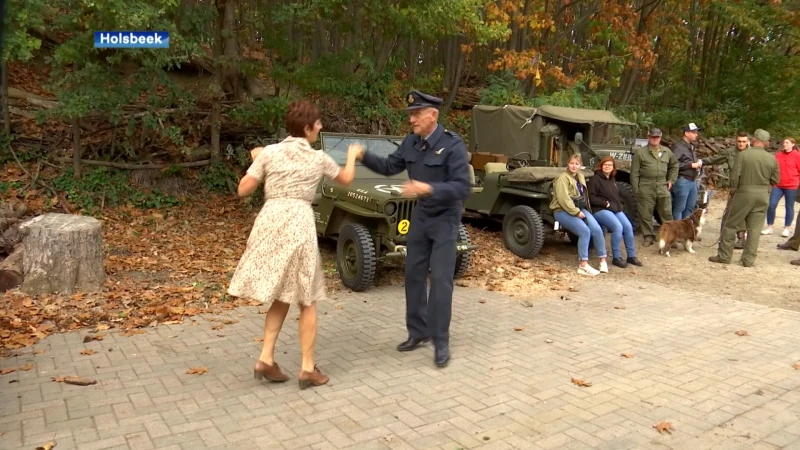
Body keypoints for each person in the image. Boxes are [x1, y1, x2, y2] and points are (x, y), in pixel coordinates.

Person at [229, 99, 361, 389]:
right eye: (318, 124)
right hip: (298, 223)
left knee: (282, 293)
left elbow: (242, 190)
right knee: (307, 298)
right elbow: (347, 179)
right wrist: (352, 155)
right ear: (307, 128)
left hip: (270, 220)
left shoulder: (270, 153)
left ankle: (265, 358)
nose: (321, 127)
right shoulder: (318, 158)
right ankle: (307, 368)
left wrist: (258, 161)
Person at [354, 90, 471, 368]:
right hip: (422, 217)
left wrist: (427, 188)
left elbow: (462, 187)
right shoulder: (411, 142)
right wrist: (362, 155)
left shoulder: (452, 145)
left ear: (433, 115)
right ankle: (418, 332)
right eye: (410, 115)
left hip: (445, 219)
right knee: (413, 275)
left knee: (441, 279)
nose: (411, 120)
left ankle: (440, 341)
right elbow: (388, 166)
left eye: (416, 114)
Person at [709, 129, 779, 267]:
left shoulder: (743, 155)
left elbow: (735, 177)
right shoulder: (772, 158)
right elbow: (775, 180)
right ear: (765, 142)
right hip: (762, 194)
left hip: (743, 193)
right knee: (755, 229)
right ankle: (748, 260)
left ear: (753, 140)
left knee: (730, 224)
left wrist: (734, 189)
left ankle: (724, 256)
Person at [551, 153, 609, 275]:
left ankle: (602, 260)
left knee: (597, 229)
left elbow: (583, 196)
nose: (574, 166)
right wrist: (576, 213)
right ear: (567, 164)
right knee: (584, 231)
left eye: (577, 164)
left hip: (579, 208)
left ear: (580, 166)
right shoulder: (563, 178)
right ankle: (583, 265)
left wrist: (585, 211)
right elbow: (564, 199)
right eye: (571, 163)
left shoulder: (580, 177)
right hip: (562, 210)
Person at [587, 156, 642, 268]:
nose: (607, 167)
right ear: (601, 166)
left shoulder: (612, 179)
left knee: (628, 227)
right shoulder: (595, 179)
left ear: (613, 168)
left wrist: (618, 206)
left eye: (610, 165)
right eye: (605, 165)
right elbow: (591, 198)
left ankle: (631, 256)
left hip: (615, 209)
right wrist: (604, 203)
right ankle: (616, 257)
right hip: (600, 209)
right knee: (618, 227)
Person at [700, 131, 750, 249]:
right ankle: (728, 239)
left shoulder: (753, 154)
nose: (741, 144)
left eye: (744, 141)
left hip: (748, 187)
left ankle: (742, 239)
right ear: (735, 141)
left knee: (745, 214)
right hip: (735, 188)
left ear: (747, 142)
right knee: (729, 213)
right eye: (739, 141)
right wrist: (702, 162)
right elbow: (715, 158)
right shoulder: (730, 152)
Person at [630, 128, 678, 247]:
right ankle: (648, 236)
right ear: (648, 137)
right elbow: (634, 173)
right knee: (645, 212)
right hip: (646, 185)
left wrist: (671, 180)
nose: (654, 139)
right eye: (652, 137)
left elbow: (674, 165)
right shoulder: (640, 153)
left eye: (657, 137)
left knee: (666, 212)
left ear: (660, 138)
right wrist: (636, 189)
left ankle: (669, 237)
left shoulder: (667, 151)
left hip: (662, 185)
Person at [761, 137, 800, 237]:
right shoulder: (778, 155)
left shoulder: (797, 155)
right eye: (783, 143)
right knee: (771, 205)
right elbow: (773, 169)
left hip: (792, 185)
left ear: (792, 144)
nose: (784, 144)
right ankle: (770, 227)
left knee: (789, 206)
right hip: (778, 185)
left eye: (787, 143)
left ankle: (786, 228)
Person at [671, 123, 704, 220]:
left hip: (692, 180)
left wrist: (697, 163)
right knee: (679, 208)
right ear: (686, 133)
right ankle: (677, 232)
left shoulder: (691, 146)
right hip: (682, 180)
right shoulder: (678, 147)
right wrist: (690, 165)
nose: (696, 134)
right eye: (694, 132)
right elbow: (673, 164)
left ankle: (686, 232)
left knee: (689, 208)